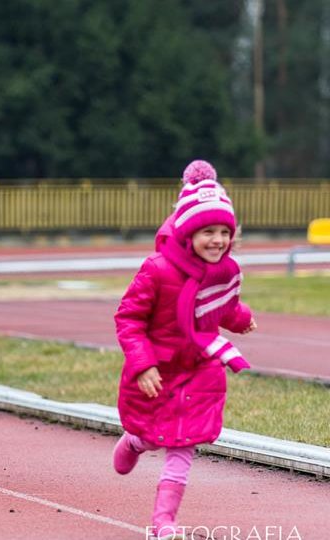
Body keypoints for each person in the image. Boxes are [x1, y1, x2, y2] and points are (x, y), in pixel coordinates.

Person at [112, 162, 257, 539]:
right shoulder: (157, 269)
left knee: (185, 443)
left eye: (224, 232)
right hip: (160, 369)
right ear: (188, 232)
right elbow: (128, 318)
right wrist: (142, 365)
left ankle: (164, 522)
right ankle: (135, 441)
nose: (218, 240)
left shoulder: (224, 273)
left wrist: (241, 319)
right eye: (208, 231)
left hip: (202, 367)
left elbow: (222, 309)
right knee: (154, 433)